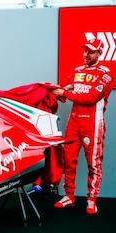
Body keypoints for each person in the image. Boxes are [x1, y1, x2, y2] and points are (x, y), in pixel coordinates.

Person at [52, 38, 114, 214]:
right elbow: (63, 86)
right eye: (85, 50)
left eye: (91, 51)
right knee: (68, 160)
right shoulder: (78, 71)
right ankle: (69, 196)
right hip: (74, 122)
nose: (86, 54)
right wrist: (50, 90)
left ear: (99, 53)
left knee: (93, 163)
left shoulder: (106, 74)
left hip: (93, 124)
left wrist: (65, 93)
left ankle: (92, 199)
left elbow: (90, 98)